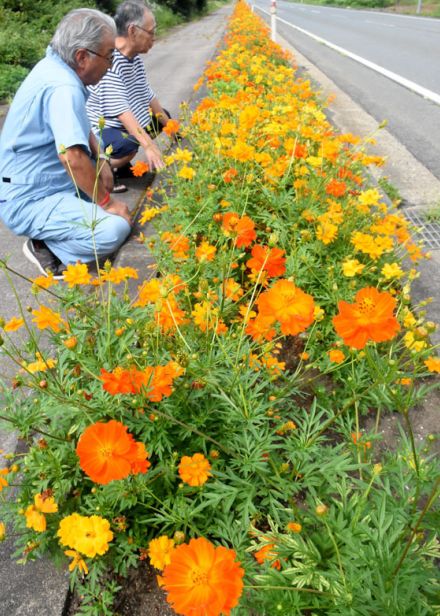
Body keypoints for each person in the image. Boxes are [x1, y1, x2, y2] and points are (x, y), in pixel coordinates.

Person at [0, 9, 132, 277]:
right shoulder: (63, 87)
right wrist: (107, 204)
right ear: (82, 57)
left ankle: (60, 231)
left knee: (103, 194)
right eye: (108, 56)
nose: (110, 64)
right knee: (115, 228)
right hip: (31, 198)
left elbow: (78, 130)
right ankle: (47, 247)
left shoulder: (55, 67)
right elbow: (72, 157)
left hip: (46, 184)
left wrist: (103, 160)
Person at [86, 1, 172, 192]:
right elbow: (121, 112)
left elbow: (148, 95)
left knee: (162, 117)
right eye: (151, 32)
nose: (154, 38)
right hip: (101, 130)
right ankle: (99, 170)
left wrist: (174, 130)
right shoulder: (110, 60)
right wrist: (149, 146)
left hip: (120, 124)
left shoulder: (134, 60)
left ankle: (122, 167)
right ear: (133, 30)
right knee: (129, 143)